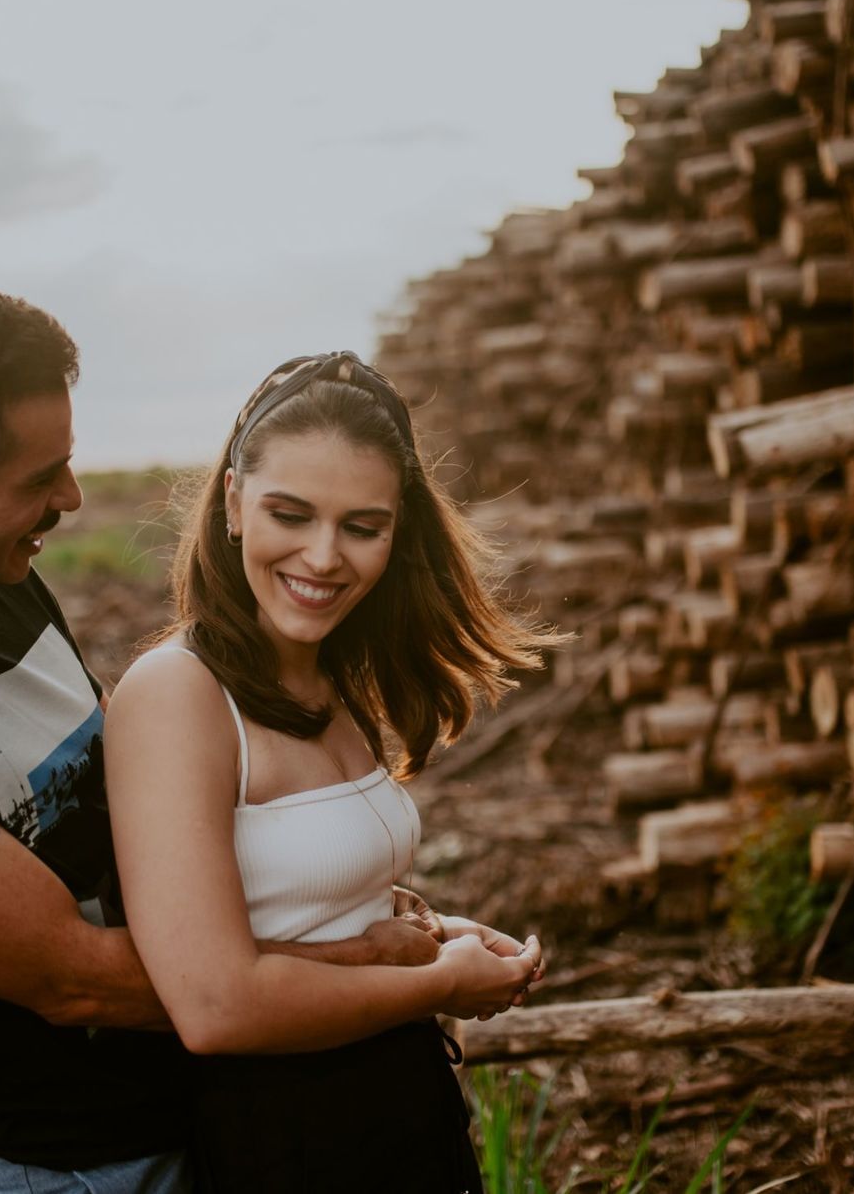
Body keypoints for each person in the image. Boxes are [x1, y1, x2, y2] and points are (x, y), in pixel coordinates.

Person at [0, 284, 517, 1194]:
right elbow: (83, 980)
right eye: (40, 478)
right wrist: (375, 957)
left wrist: (345, 898)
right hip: (80, 1162)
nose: (69, 496)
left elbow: (144, 822)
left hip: (202, 1108)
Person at [105, 351, 562, 1194]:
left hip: (400, 1109)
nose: (324, 557)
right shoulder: (179, 695)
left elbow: (307, 908)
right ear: (235, 503)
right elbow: (215, 1007)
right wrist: (439, 981)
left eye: (362, 526)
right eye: (291, 513)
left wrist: (445, 934)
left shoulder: (323, 674)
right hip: (288, 1139)